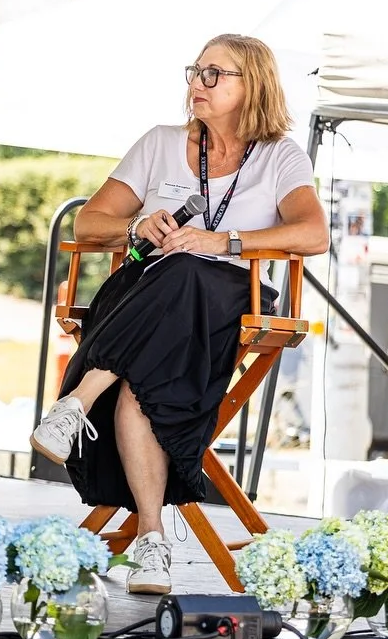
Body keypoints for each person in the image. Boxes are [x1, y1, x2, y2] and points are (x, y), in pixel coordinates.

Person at [28, 34, 327, 596]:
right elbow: (88, 225)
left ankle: (79, 402)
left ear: (252, 85)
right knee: (154, 360)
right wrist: (136, 228)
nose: (197, 83)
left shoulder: (279, 155)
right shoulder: (160, 143)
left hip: (231, 297)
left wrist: (225, 242)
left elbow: (313, 234)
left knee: (188, 270)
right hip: (149, 302)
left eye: (215, 74)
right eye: (195, 71)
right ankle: (152, 540)